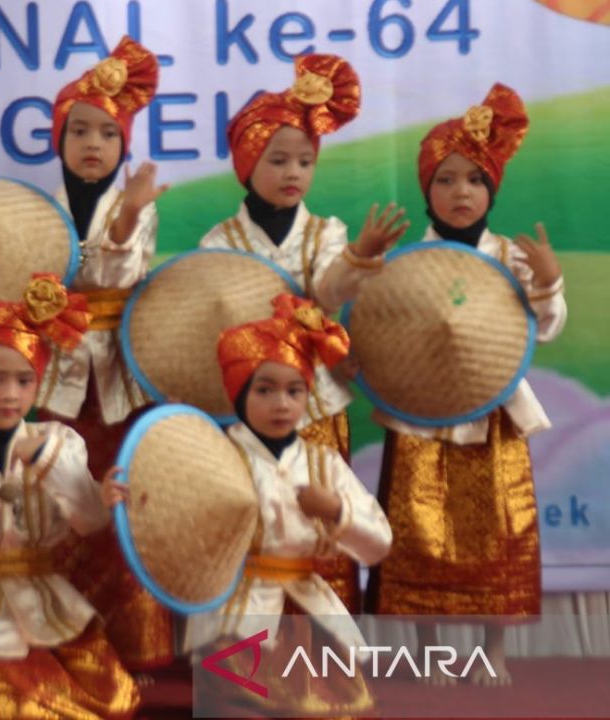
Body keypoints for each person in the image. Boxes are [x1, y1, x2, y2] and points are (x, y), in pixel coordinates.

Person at [364, 84, 566, 686]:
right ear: (428, 189)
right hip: (420, 412)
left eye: (474, 180)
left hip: (493, 411)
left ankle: (493, 652)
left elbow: (545, 331)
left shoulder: (511, 255)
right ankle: (426, 648)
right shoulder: (405, 261)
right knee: (417, 526)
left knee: (499, 529)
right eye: (446, 179)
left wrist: (549, 283)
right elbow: (378, 331)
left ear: (491, 191)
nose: (460, 192)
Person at [198, 53, 406, 611]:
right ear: (246, 162)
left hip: (313, 401)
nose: (293, 173)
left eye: (305, 162)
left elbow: (332, 288)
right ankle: (244, 647)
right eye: (278, 159)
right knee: (256, 518)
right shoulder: (220, 242)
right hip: (247, 404)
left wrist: (359, 257)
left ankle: (322, 641)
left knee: (322, 515)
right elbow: (212, 321)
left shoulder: (325, 233)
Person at [0, 274, 141, 719]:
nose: (10, 394)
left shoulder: (60, 440)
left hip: (48, 597)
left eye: (24, 381)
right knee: (22, 708)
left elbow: (90, 520)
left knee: (117, 700)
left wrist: (47, 461)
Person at [36, 35, 174, 672]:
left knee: (121, 501)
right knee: (61, 503)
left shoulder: (137, 210)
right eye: (79, 132)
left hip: (119, 378)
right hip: (57, 379)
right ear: (59, 144)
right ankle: (60, 640)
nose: (93, 144)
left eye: (107, 135)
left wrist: (125, 217)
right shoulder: (40, 212)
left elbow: (114, 278)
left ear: (124, 148)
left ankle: (134, 643)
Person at [186, 293, 392, 716]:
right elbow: (187, 538)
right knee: (236, 705)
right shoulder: (218, 457)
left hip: (307, 608)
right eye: (265, 390)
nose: (281, 404)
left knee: (346, 707)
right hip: (239, 611)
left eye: (294, 390)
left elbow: (379, 543)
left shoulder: (324, 464)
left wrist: (336, 511)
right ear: (239, 396)